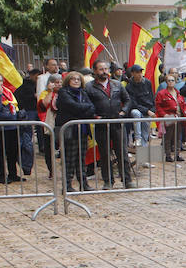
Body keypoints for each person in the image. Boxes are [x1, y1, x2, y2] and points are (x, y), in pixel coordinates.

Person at [84, 60, 132, 188]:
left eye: (106, 69)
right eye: (101, 69)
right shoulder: (89, 87)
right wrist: (94, 116)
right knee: (104, 154)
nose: (104, 72)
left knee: (122, 152)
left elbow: (127, 100)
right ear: (95, 71)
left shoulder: (117, 84)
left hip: (117, 122)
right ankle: (108, 181)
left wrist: (123, 111)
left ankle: (127, 180)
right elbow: (87, 104)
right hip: (101, 124)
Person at [55, 71, 96, 192]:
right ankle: (67, 186)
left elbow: (92, 107)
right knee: (70, 159)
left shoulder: (83, 92)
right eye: (73, 79)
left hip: (82, 130)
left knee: (81, 159)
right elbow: (71, 106)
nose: (76, 81)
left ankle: (84, 184)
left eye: (78, 79)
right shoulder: (63, 92)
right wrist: (84, 108)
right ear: (68, 80)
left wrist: (82, 109)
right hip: (70, 131)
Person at [155, 77, 186, 163]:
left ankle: (177, 154)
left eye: (172, 80)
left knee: (178, 136)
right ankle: (168, 155)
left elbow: (183, 104)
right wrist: (164, 115)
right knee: (168, 137)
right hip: (169, 117)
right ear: (166, 82)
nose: (171, 82)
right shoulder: (161, 93)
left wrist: (185, 113)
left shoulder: (178, 93)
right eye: (169, 80)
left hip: (178, 118)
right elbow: (158, 106)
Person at [123, 64, 154, 147]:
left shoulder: (147, 82)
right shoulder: (129, 87)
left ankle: (142, 152)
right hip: (137, 110)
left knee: (145, 133)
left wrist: (152, 110)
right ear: (132, 73)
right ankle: (137, 138)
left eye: (141, 72)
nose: (140, 74)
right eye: (137, 72)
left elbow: (151, 97)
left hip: (148, 110)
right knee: (135, 113)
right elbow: (133, 103)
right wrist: (147, 110)